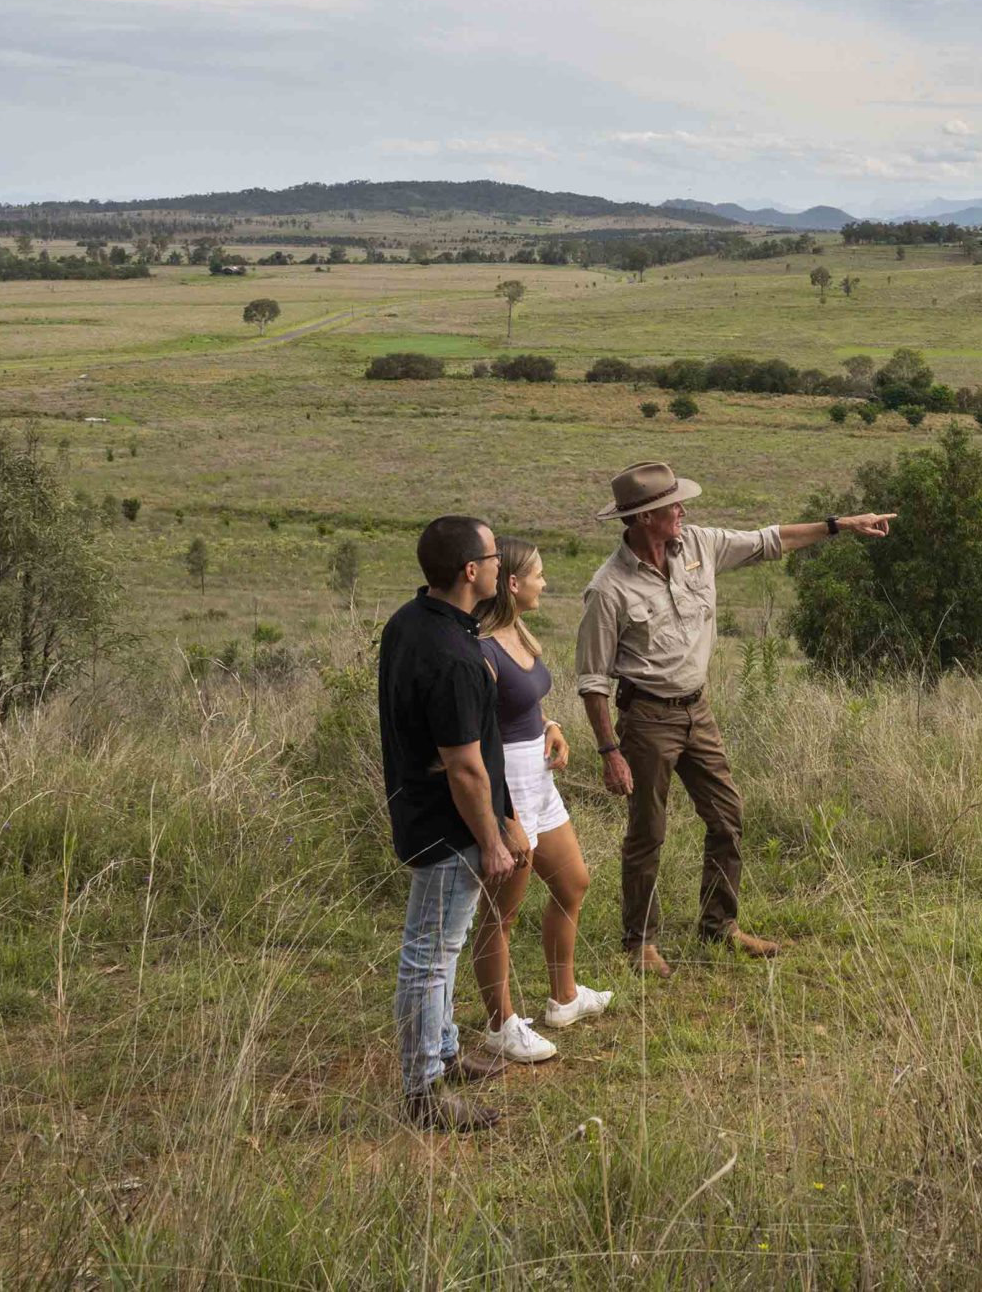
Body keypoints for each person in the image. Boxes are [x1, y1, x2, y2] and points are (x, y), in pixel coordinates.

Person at [575, 460, 893, 977]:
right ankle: (640, 942)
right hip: (647, 717)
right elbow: (592, 681)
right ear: (639, 519)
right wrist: (610, 752)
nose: (681, 510)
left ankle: (719, 926)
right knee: (647, 832)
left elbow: (769, 541)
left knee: (727, 816)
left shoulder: (698, 544)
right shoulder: (608, 589)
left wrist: (840, 525)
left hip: (696, 710)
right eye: (669, 506)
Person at [380, 514, 525, 1132]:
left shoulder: (411, 622)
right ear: (471, 571)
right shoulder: (454, 656)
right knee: (430, 957)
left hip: (421, 809)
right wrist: (492, 838)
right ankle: (423, 1093)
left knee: (443, 946)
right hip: (450, 825)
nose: (500, 567)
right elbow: (465, 768)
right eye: (493, 558)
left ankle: (442, 1053)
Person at [468, 535, 612, 1063]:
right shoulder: (480, 647)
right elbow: (479, 733)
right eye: (538, 574)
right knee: (500, 914)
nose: (545, 582)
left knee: (573, 881)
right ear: (511, 582)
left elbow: (523, 701)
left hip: (538, 776)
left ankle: (564, 998)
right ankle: (500, 1024)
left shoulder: (516, 632)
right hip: (508, 785)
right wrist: (503, 817)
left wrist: (551, 723)